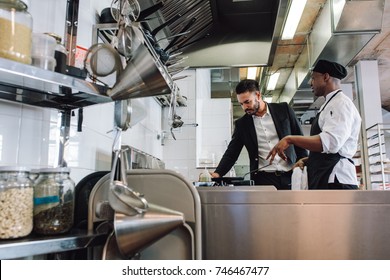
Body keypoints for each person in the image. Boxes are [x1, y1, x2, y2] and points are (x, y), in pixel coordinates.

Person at [267, 59, 361, 189]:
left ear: (326, 76)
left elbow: (331, 143)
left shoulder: (340, 104)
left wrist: (290, 139)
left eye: (313, 78)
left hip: (336, 179)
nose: (311, 82)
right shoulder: (329, 104)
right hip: (326, 176)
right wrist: (308, 160)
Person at [210, 79, 308, 190]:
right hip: (263, 179)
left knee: (293, 207)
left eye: (247, 102)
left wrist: (305, 164)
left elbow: (300, 140)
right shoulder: (242, 124)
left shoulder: (283, 109)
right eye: (241, 104)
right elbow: (232, 153)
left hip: (290, 174)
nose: (244, 107)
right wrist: (218, 173)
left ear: (258, 95)